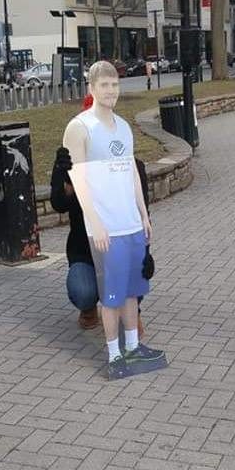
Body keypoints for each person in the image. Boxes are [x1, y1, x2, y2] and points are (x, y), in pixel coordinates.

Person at [62, 60, 166, 379]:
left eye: (115, 85)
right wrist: (95, 222)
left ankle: (134, 348)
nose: (111, 91)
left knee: (132, 290)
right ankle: (114, 354)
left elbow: (132, 171)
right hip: (105, 226)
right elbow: (78, 179)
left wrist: (143, 215)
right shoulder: (79, 127)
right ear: (91, 89)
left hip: (130, 223)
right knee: (112, 293)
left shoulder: (122, 126)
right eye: (104, 85)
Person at [49, 144, 154, 332]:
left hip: (121, 250)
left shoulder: (132, 166)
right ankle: (88, 307)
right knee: (82, 291)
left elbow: (141, 215)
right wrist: (68, 180)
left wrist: (144, 253)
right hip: (85, 252)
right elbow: (59, 204)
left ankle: (132, 311)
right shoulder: (70, 164)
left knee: (138, 272)